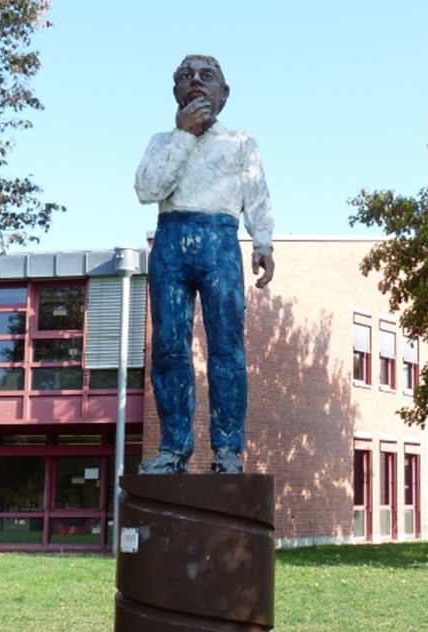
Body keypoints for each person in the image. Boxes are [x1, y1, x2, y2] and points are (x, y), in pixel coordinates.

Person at [134, 55, 274, 475]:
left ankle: (228, 449)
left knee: (227, 349)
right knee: (169, 347)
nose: (195, 82)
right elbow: (147, 190)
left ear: (223, 93)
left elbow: (258, 194)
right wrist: (183, 135)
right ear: (175, 92)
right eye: (185, 77)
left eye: (206, 76)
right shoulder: (163, 141)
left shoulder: (240, 143)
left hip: (221, 242)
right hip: (171, 240)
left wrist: (263, 241)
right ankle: (174, 449)